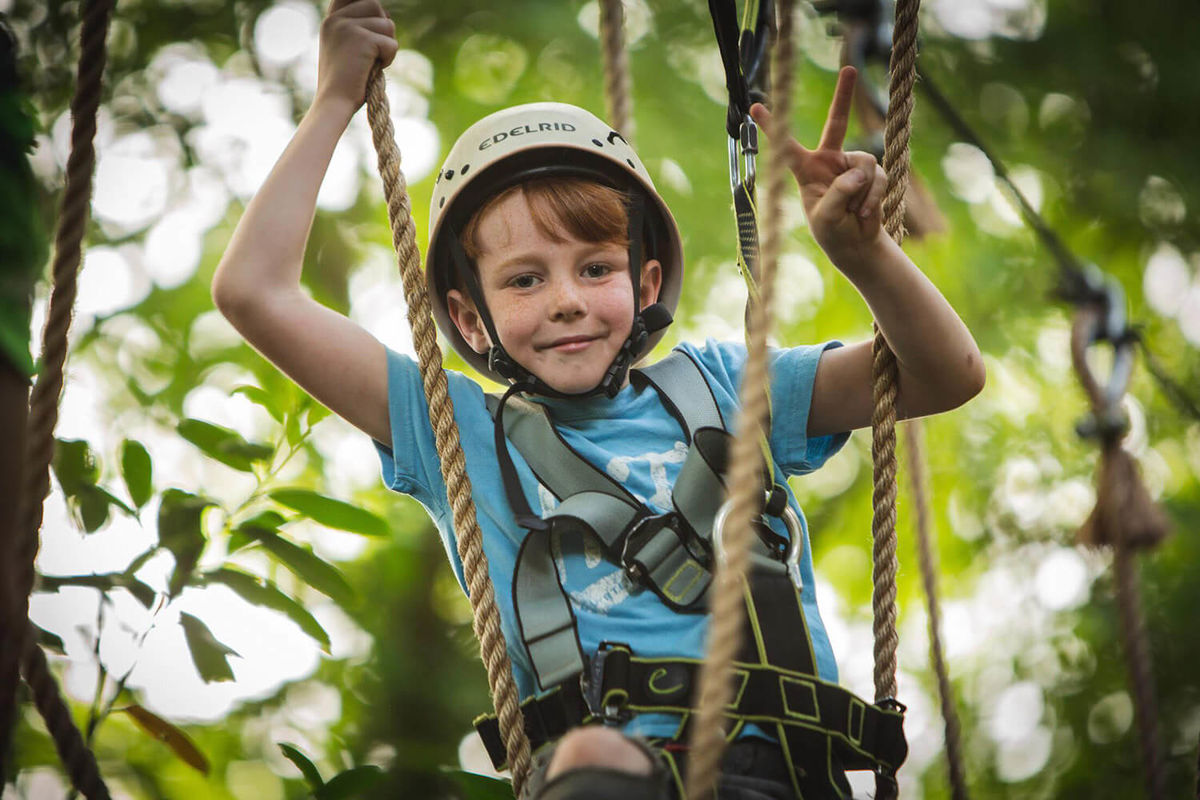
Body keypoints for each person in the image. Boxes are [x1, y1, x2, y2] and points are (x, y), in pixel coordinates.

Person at [211, 1, 985, 797]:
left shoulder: (724, 388)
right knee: (591, 761)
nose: (566, 301)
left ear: (645, 282)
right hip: (606, 781)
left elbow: (943, 374)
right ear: (471, 319)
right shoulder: (458, 431)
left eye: (594, 268)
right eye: (524, 279)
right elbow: (255, 293)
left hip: (789, 778)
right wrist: (335, 99)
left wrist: (866, 255)